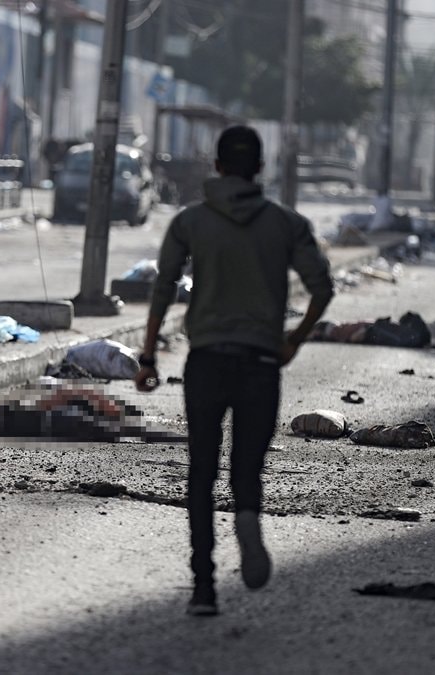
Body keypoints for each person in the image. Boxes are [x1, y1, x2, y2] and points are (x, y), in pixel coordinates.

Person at [134, 125, 335, 617]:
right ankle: (247, 519)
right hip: (261, 361)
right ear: (259, 169)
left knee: (202, 469)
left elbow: (163, 289)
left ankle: (203, 587)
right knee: (247, 468)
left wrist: (148, 356)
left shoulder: (190, 222)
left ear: (218, 166)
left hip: (206, 360)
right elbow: (322, 287)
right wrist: (293, 339)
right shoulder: (286, 224)